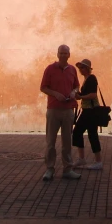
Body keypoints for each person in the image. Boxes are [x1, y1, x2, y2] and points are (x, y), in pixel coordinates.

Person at [40, 44, 81, 181]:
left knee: (67, 141)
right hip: (53, 109)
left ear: (69, 55)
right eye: (61, 53)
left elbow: (76, 86)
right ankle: (49, 169)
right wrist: (55, 94)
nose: (63, 55)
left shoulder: (72, 70)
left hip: (68, 109)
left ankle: (68, 169)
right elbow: (43, 87)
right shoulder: (50, 69)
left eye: (65, 53)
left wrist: (73, 92)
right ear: (57, 55)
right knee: (51, 141)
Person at [72, 58, 103, 170]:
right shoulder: (86, 79)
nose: (80, 69)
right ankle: (86, 159)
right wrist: (78, 95)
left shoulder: (91, 79)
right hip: (87, 110)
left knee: (83, 133)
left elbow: (93, 95)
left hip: (91, 110)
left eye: (83, 67)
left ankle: (93, 160)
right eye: (80, 67)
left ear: (88, 68)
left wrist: (81, 97)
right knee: (87, 133)